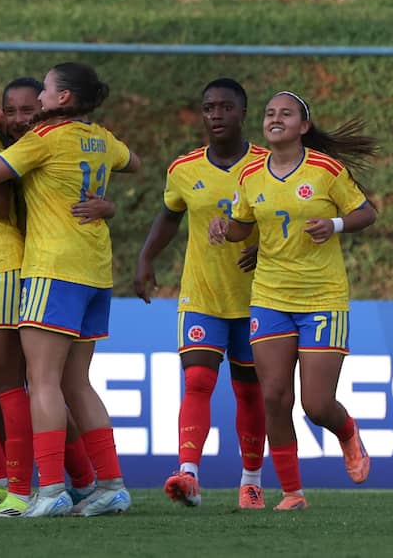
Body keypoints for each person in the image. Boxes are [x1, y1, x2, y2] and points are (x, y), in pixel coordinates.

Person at [0, 62, 141, 517]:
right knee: (75, 382)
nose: (38, 101)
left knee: (42, 382)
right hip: (95, 270)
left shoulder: (44, 141)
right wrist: (102, 197)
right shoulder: (102, 137)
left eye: (44, 91)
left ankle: (49, 489)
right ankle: (110, 485)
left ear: (62, 98)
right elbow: (135, 162)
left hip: (54, 268)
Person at [208, 90, 377, 510]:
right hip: (269, 297)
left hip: (322, 298)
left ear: (303, 126)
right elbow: (242, 228)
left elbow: (367, 211)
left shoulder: (325, 170)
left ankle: (346, 430)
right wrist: (222, 227)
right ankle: (292, 494)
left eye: (286, 113)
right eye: (269, 113)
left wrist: (335, 223)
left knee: (317, 404)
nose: (275, 118)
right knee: (274, 396)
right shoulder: (250, 175)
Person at [134, 78, 268, 510]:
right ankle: (188, 474)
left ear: (243, 113)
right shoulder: (184, 168)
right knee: (197, 381)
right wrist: (145, 259)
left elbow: (290, 219)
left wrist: (261, 244)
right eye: (209, 108)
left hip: (257, 298)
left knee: (249, 391)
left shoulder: (267, 165)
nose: (216, 115)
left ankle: (251, 481)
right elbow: (169, 216)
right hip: (202, 295)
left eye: (225, 108)